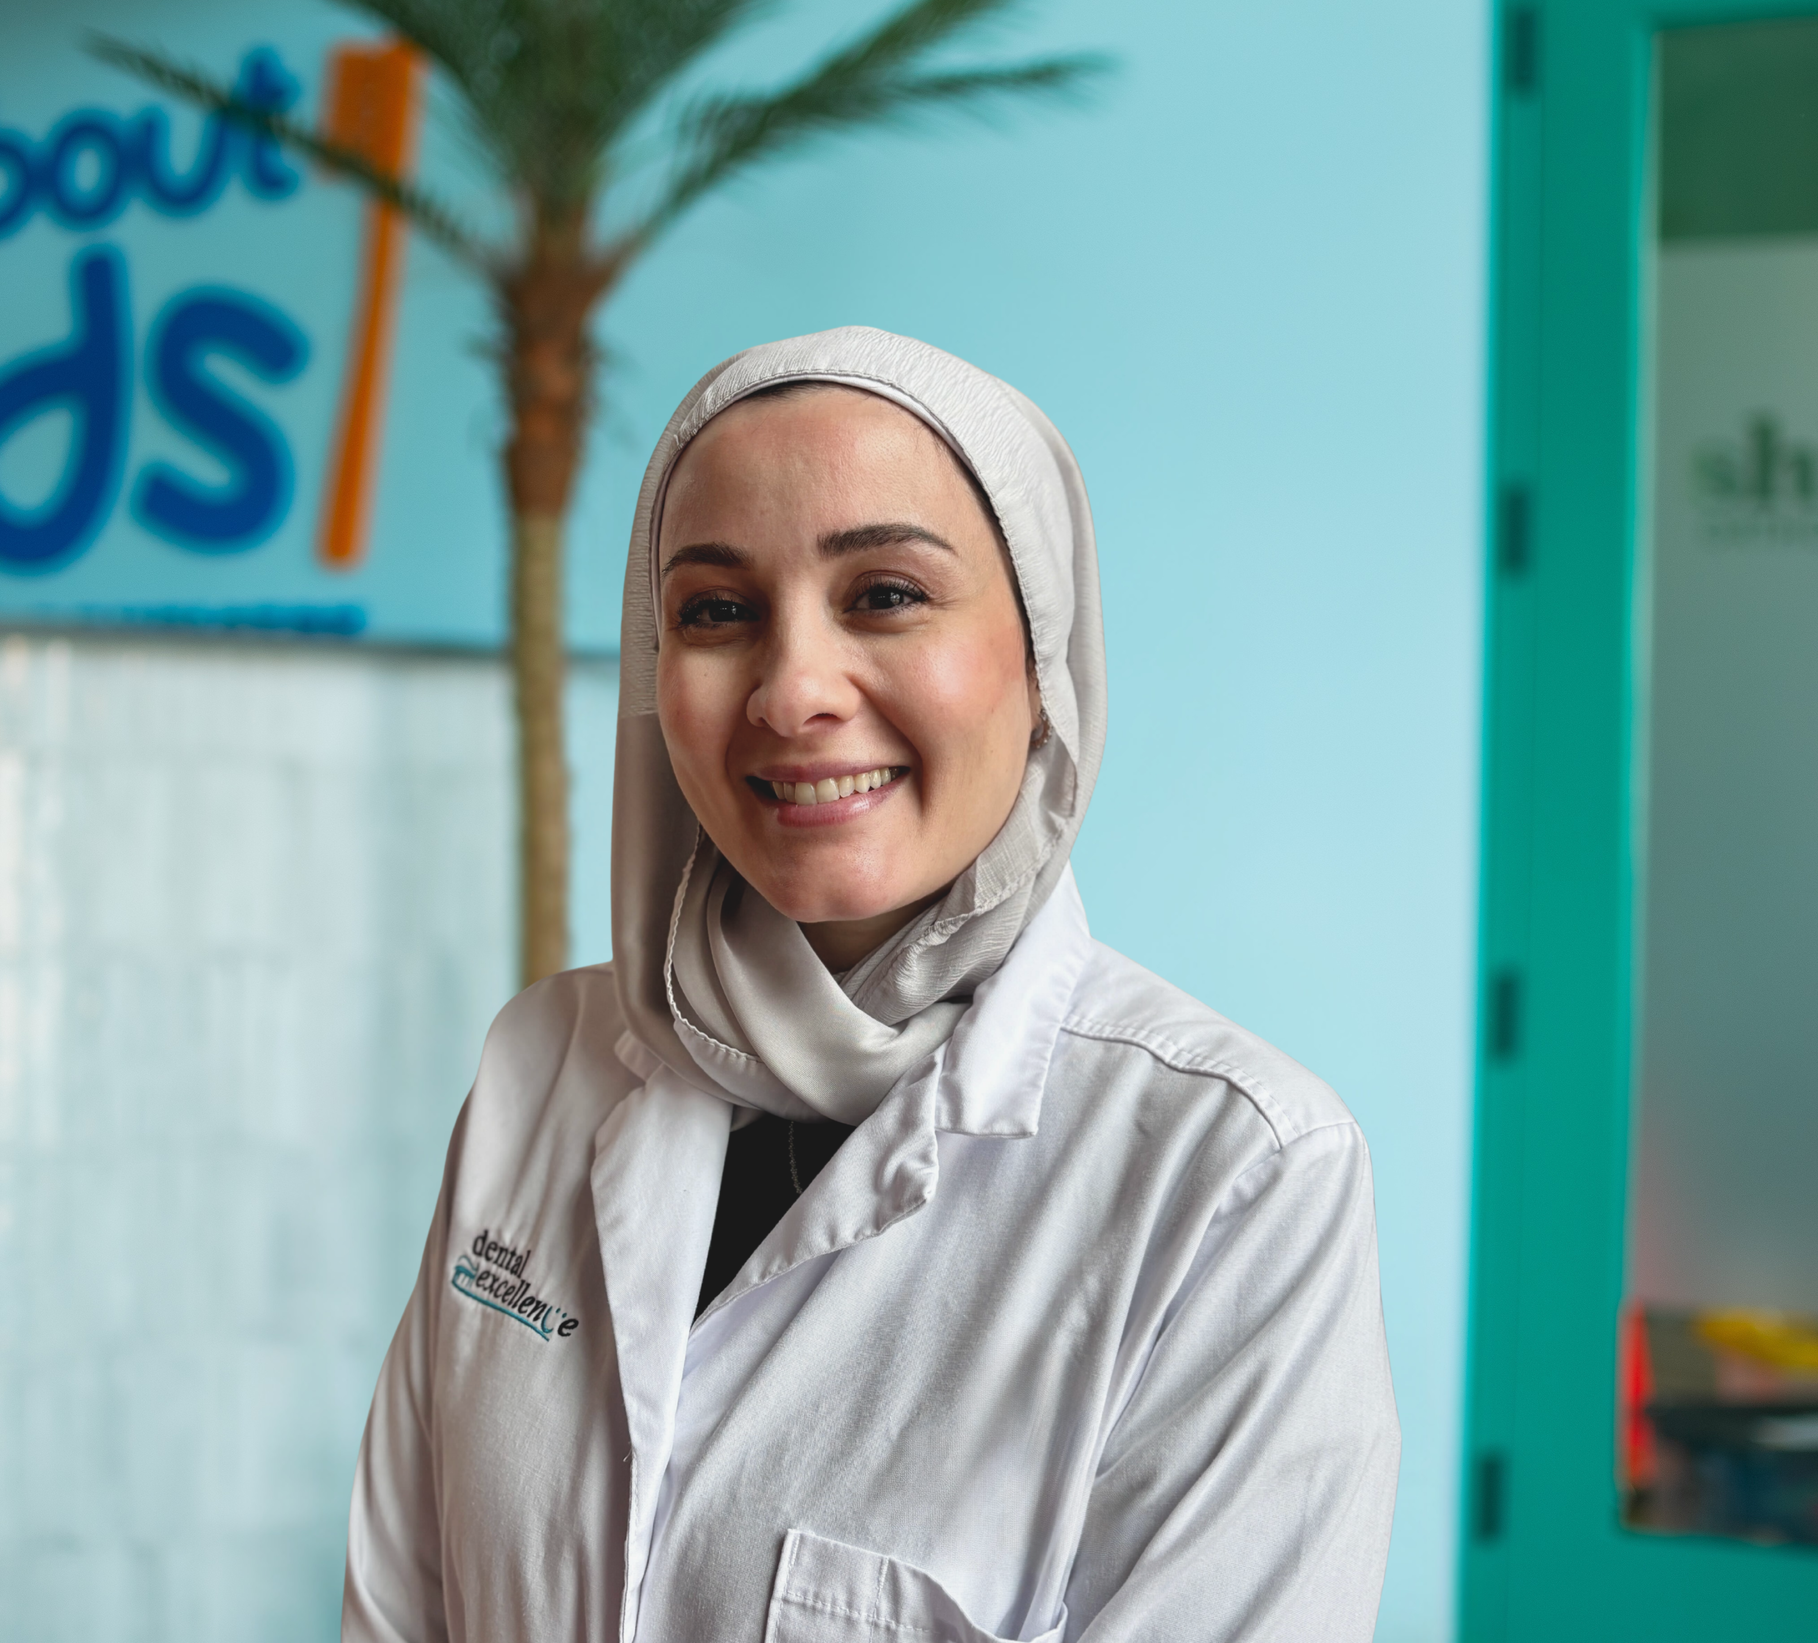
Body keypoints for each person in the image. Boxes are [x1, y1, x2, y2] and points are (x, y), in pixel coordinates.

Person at [343, 328, 1398, 1642]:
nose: (791, 692)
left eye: (886, 593)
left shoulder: (1235, 1173)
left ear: (1040, 653)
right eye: (717, 610)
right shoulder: (544, 1062)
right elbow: (398, 1609)